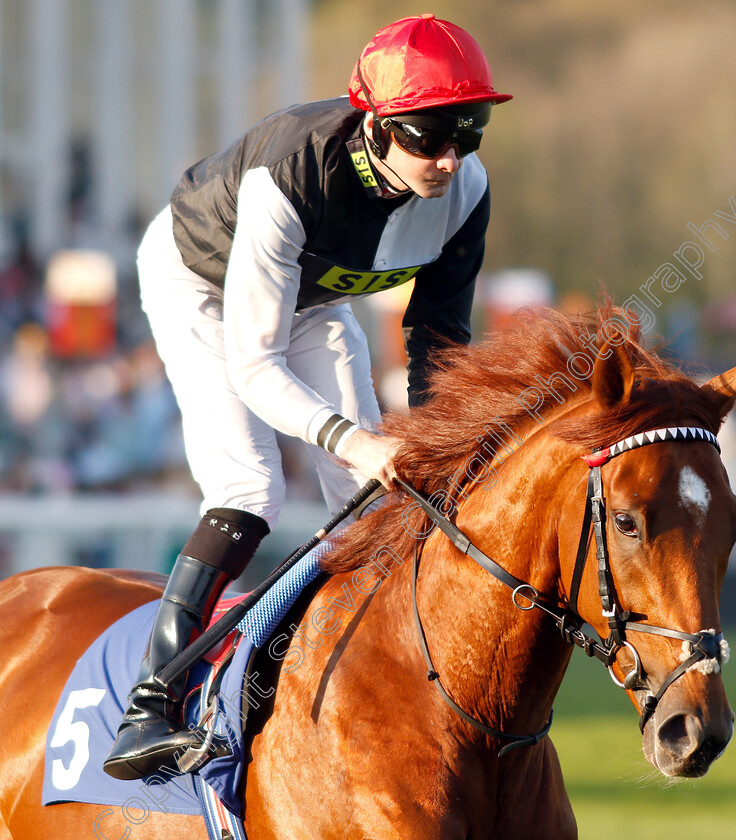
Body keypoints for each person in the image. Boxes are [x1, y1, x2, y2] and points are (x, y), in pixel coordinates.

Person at [103, 13, 511, 781]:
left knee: (374, 499)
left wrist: (435, 441)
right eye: (428, 135)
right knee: (252, 484)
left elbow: (438, 340)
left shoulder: (465, 192)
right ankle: (149, 704)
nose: (450, 159)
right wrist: (359, 438)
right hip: (200, 282)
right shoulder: (293, 171)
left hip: (310, 299)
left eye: (471, 131)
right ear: (379, 122)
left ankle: (370, 675)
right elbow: (255, 366)